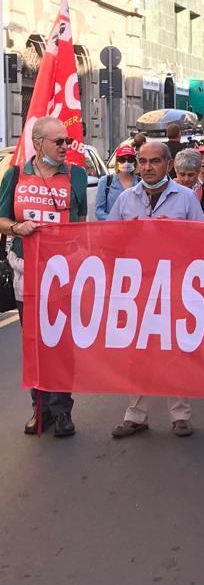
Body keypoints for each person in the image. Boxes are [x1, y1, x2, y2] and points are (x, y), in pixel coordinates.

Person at [108, 142, 204, 439]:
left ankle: (180, 415)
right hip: (137, 287)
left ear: (168, 165)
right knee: (137, 352)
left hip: (175, 284)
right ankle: (135, 415)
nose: (147, 167)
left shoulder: (186, 198)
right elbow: (107, 240)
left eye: (154, 161)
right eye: (143, 161)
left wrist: (178, 232)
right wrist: (126, 234)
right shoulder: (126, 199)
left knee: (175, 349)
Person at [0, 117, 87, 437]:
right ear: (38, 144)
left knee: (60, 343)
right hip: (28, 271)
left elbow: (82, 223)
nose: (66, 146)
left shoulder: (77, 175)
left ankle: (63, 410)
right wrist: (16, 227)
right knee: (35, 343)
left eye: (68, 141)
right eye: (59, 142)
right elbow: (1, 218)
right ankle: (41, 410)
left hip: (63, 273)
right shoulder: (15, 175)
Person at [95, 144, 140, 221]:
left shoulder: (140, 183)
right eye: (122, 160)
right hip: (112, 227)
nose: (126, 163)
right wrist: (118, 222)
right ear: (117, 162)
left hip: (135, 226)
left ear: (135, 162)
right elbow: (99, 211)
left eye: (130, 160)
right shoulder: (105, 181)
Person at [173, 149, 204, 218]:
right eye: (182, 174)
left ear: (198, 172)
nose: (186, 179)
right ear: (176, 172)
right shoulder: (169, 190)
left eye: (191, 175)